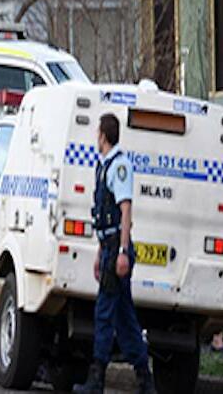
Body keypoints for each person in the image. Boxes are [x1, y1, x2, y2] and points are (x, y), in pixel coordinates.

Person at [74, 114, 155, 394]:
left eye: (98, 132)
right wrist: (100, 252)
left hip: (116, 251)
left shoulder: (118, 166)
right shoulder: (106, 165)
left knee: (105, 314)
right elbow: (105, 219)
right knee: (125, 318)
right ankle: (145, 379)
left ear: (103, 136)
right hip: (108, 249)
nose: (96, 137)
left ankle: (97, 380)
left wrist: (121, 252)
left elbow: (125, 210)